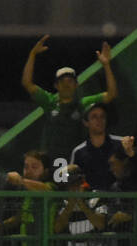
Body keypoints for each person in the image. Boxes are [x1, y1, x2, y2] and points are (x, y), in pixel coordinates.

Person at [22, 37, 118, 166]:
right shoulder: (49, 101)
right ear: (56, 86)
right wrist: (32, 54)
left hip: (77, 158)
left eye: (70, 81)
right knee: (57, 184)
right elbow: (27, 83)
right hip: (53, 160)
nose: (66, 85)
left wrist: (106, 65)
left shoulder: (83, 103)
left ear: (76, 85)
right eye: (62, 82)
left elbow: (111, 94)